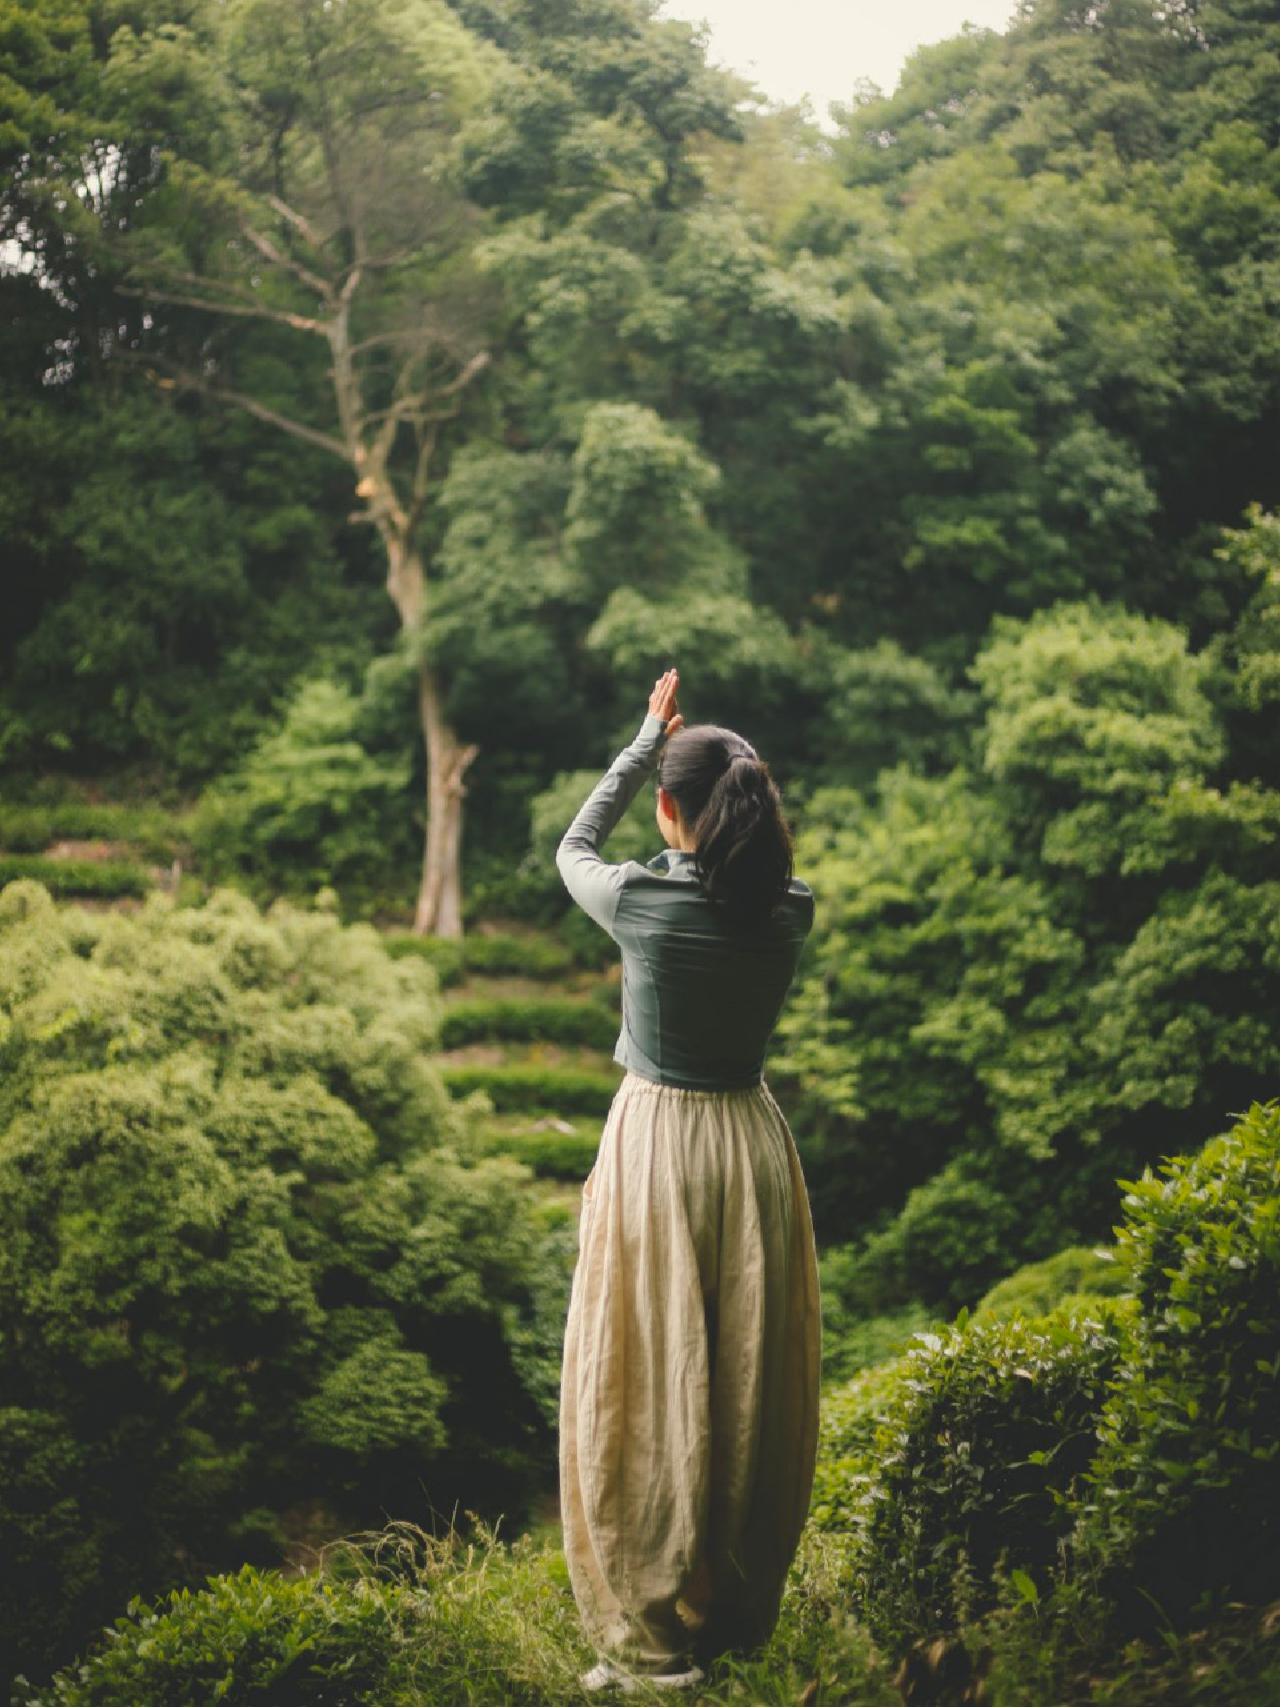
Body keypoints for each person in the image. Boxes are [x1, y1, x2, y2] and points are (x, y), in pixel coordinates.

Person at [556, 668, 822, 1694]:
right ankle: (731, 1607)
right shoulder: (790, 911)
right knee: (742, 1375)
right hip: (751, 1147)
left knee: (646, 1370)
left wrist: (637, 743)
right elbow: (739, 873)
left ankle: (649, 1630)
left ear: (670, 808)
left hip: (659, 1145)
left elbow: (570, 846)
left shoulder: (638, 901)